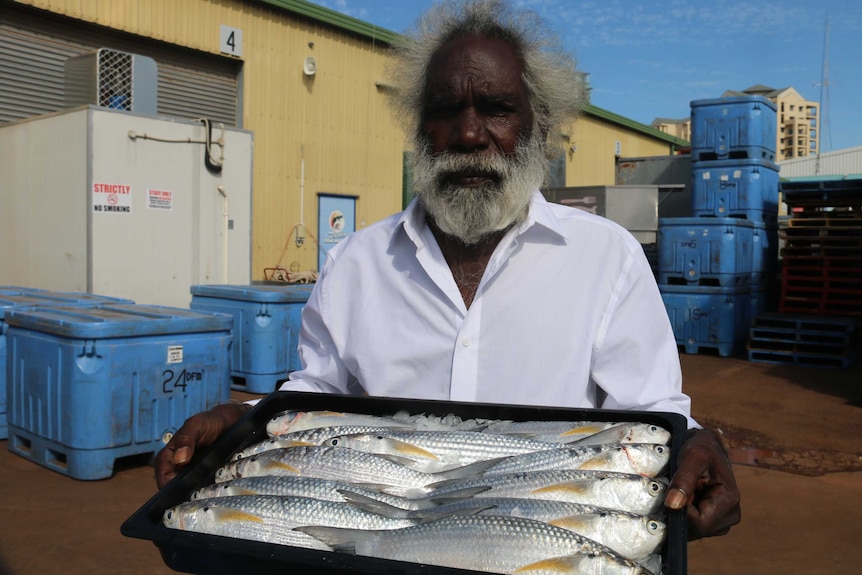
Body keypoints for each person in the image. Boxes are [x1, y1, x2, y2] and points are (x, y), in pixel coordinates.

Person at [155, 0, 740, 540]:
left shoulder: (604, 259)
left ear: (537, 128)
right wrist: (244, 419)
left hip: (538, 545)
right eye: (445, 111)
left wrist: (689, 442)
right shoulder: (356, 264)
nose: (468, 134)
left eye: (496, 110)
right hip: (382, 543)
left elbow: (647, 419)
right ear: (418, 128)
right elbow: (316, 399)